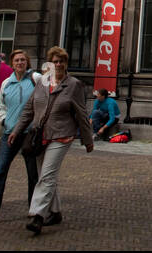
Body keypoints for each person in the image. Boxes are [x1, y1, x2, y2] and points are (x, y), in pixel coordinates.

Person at [9, 46, 93, 234]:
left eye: (61, 61)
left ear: (66, 63)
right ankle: (55, 212)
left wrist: (88, 140)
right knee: (46, 175)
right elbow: (29, 109)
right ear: (50, 64)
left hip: (62, 135)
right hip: (40, 135)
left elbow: (82, 114)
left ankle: (37, 215)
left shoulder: (74, 85)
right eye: (55, 61)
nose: (58, 64)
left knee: (46, 175)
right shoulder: (43, 82)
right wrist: (16, 130)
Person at [0, 49, 43, 225]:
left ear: (27, 62)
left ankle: (34, 210)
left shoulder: (35, 79)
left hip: (29, 134)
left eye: (23, 60)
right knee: (0, 171)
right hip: (10, 134)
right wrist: (5, 121)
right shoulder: (7, 83)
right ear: (13, 63)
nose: (20, 63)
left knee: (33, 174)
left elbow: (46, 97)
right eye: (17, 60)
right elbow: (1, 105)